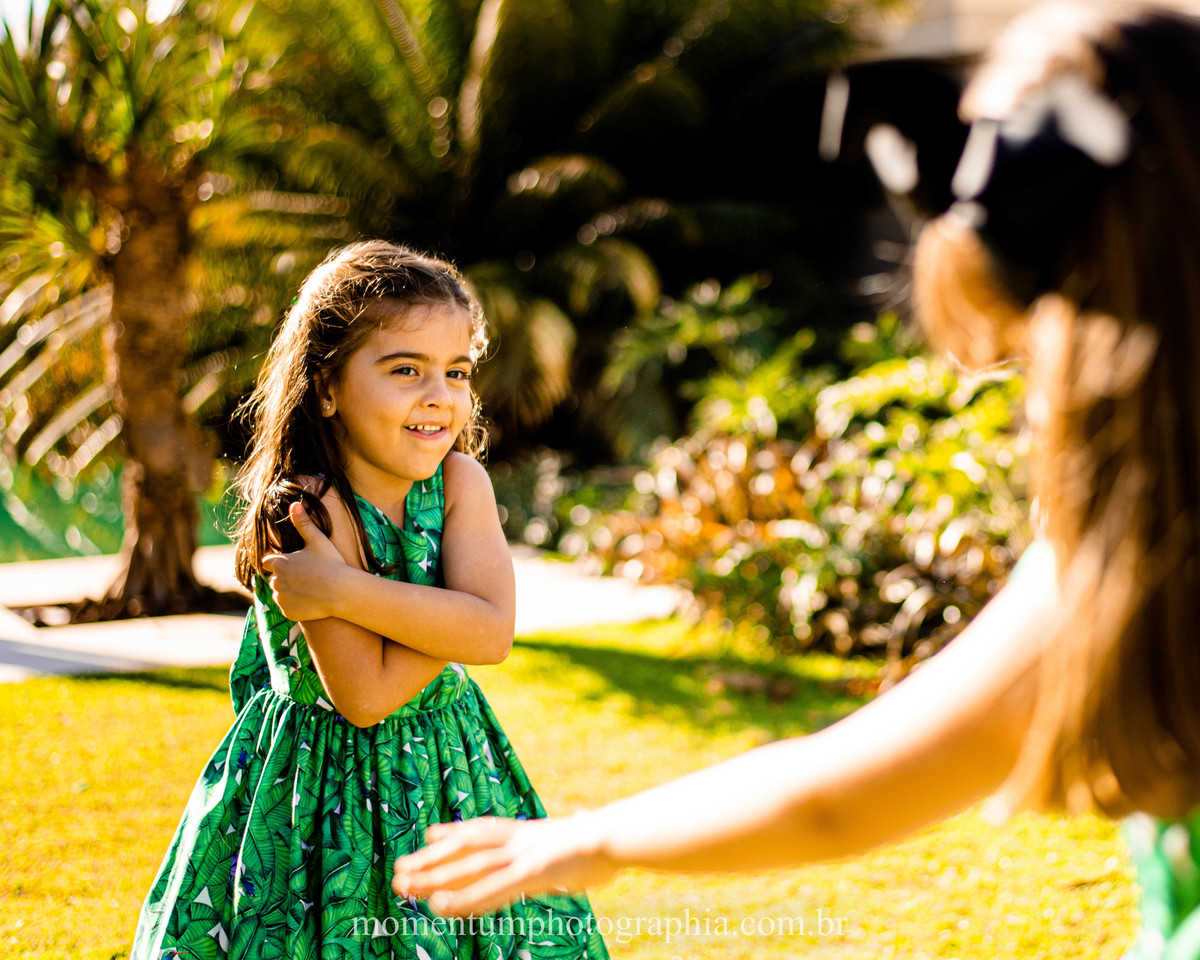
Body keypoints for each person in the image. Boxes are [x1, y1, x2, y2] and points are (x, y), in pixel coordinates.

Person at [390, 4, 1200, 956]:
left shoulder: (1131, 560)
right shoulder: (1140, 546)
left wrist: (585, 840)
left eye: (1032, 354)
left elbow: (836, 796)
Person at [132, 241, 609, 959]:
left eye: (456, 372)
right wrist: (456, 612)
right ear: (326, 387)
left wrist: (344, 589)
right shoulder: (306, 511)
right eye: (405, 370)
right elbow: (365, 696)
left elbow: (493, 636)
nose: (439, 395)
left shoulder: (461, 484)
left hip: (453, 773)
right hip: (322, 798)